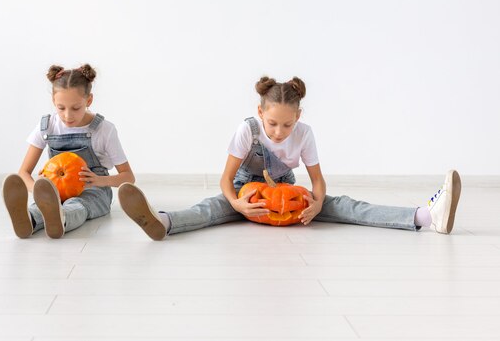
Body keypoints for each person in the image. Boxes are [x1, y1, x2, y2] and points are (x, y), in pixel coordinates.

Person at [117, 76, 461, 241]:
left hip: (287, 195)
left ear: (298, 117)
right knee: (209, 209)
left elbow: (318, 181)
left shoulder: (305, 134)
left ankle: (426, 216)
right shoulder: (246, 130)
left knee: (346, 206)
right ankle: (161, 222)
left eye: (287, 124)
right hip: (246, 193)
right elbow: (225, 180)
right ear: (259, 113)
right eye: (272, 124)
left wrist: (316, 203)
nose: (279, 132)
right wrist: (237, 205)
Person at [2, 64, 134, 239]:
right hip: (56, 190)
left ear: (89, 101)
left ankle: (62, 219)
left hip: (93, 191)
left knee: (77, 204)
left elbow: (128, 178)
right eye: (61, 108)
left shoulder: (104, 130)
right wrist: (38, 189)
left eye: (76, 108)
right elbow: (23, 172)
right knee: (42, 205)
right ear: (53, 102)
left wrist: (99, 180)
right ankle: (29, 220)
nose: (67, 116)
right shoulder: (47, 126)